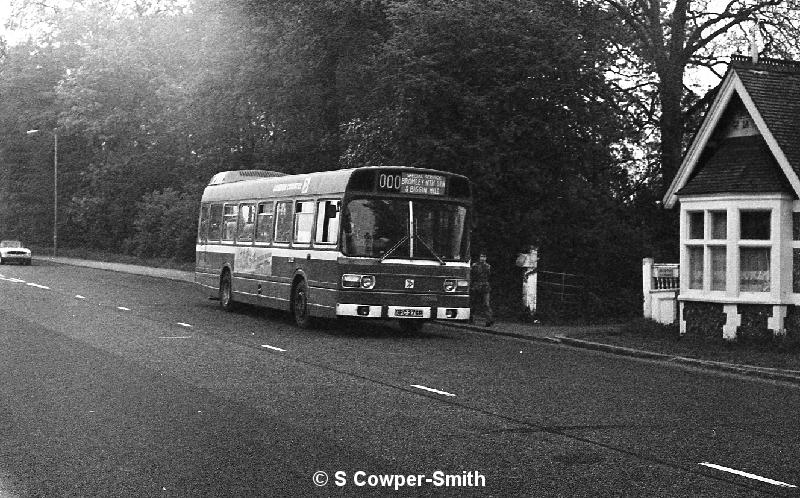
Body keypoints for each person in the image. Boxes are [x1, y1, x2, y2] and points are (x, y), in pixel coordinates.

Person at [471, 252, 494, 327]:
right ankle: (470, 317)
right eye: (481, 256)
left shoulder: (488, 266)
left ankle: (489, 319)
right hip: (477, 285)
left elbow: (489, 276)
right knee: (474, 303)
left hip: (484, 286)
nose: (482, 258)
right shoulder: (475, 266)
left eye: (484, 257)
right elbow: (472, 275)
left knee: (486, 304)